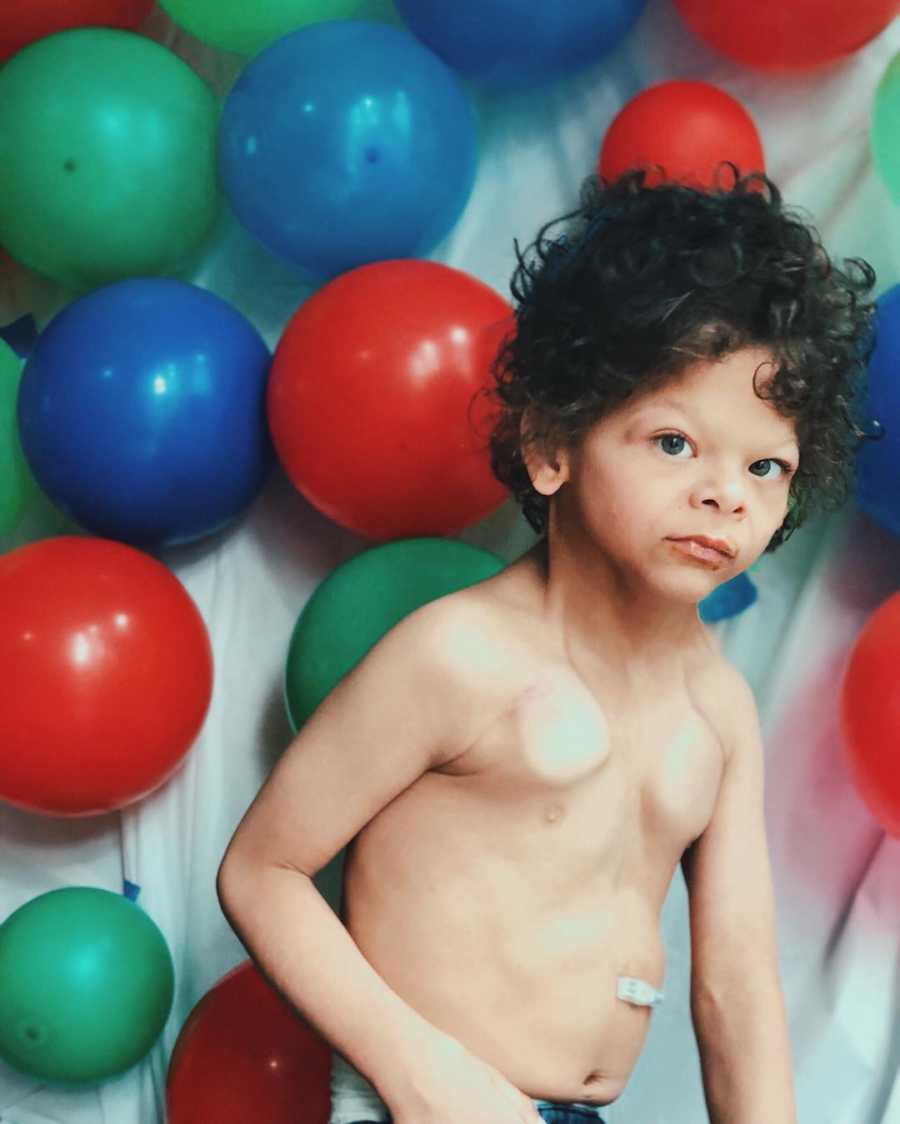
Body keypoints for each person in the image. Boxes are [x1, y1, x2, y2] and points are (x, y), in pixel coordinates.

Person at [216, 164, 880, 1124]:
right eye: (674, 443)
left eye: (765, 465)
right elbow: (262, 871)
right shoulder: (460, 655)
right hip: (432, 1101)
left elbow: (736, 989)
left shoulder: (719, 709)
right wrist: (416, 1071)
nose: (726, 493)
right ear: (550, 447)